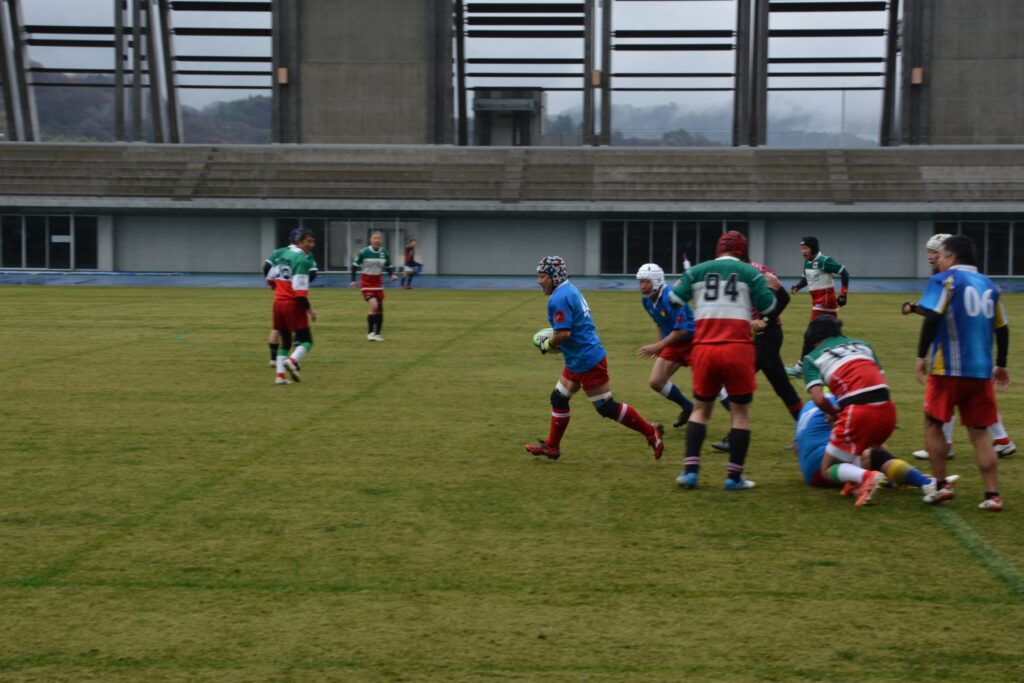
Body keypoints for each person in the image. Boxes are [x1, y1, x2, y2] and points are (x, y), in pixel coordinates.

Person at [668, 231, 780, 491]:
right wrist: (771, 288)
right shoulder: (750, 272)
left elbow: (674, 300)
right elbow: (768, 308)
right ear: (743, 252)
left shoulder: (697, 271)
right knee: (740, 414)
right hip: (737, 348)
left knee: (700, 410)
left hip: (704, 348)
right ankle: (734, 477)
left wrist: (683, 285)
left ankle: (690, 472)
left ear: (718, 249)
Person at [524, 256, 664, 461]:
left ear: (555, 276)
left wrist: (546, 345)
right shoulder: (568, 289)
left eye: (543, 276)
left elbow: (563, 334)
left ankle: (651, 431)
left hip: (586, 360)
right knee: (559, 398)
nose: (539, 281)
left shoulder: (559, 298)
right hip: (578, 357)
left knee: (606, 407)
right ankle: (552, 446)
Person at [915, 234, 1011, 511]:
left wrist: (921, 356)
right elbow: (1002, 328)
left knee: (933, 424)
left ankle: (941, 485)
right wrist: (1001, 364)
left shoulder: (944, 280)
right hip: (980, 372)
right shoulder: (990, 285)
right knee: (980, 433)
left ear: (951, 256)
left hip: (947, 370)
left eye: (942, 255)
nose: (938, 260)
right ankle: (992, 495)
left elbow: (932, 316)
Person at [798, 315, 898, 505]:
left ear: (813, 339)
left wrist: (836, 414)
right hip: (888, 410)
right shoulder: (864, 344)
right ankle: (923, 481)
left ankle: (867, 477)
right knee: (875, 447)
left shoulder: (812, 358)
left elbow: (819, 399)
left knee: (827, 468)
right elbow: (881, 382)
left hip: (858, 412)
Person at [709, 251, 803, 452]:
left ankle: (735, 437)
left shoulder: (759, 273)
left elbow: (783, 297)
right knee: (784, 389)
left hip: (766, 337)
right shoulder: (739, 271)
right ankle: (809, 432)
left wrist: (765, 320)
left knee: (735, 382)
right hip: (761, 337)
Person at [794, 396, 954, 507]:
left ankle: (880, 481)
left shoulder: (808, 407)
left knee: (858, 452)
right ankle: (924, 482)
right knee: (874, 456)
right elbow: (874, 445)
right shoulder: (837, 403)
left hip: (809, 474)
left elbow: (798, 446)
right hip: (825, 467)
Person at [635, 263, 695, 429]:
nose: (642, 286)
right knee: (656, 381)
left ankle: (738, 424)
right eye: (640, 282)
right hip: (673, 342)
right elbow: (661, 323)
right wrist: (661, 344)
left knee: (712, 385)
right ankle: (688, 407)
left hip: (693, 343)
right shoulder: (646, 300)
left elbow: (682, 331)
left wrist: (658, 346)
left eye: (646, 282)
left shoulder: (671, 296)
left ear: (656, 281)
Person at [787, 236, 850, 377]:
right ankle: (844, 361)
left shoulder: (825, 261)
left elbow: (844, 273)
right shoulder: (807, 263)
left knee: (810, 334)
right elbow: (806, 279)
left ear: (813, 248)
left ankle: (800, 368)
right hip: (820, 303)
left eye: (805, 248)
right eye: (801, 248)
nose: (803, 251)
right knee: (833, 335)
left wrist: (843, 294)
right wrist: (797, 286)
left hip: (824, 303)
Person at [264, 227, 318, 384]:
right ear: (299, 242)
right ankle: (293, 361)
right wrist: (310, 309)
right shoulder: (302, 260)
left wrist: (278, 288)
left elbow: (270, 278)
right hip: (292, 304)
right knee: (307, 340)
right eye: (308, 241)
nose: (311, 245)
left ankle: (280, 376)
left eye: (313, 242)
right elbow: (300, 292)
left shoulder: (282, 254)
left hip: (278, 303)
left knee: (286, 341)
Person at [350, 230, 398, 341]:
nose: (376, 240)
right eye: (374, 238)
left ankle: (378, 334)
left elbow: (389, 266)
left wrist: (392, 275)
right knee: (374, 306)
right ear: (370, 240)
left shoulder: (384, 253)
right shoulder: (364, 252)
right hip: (366, 284)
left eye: (378, 238)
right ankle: (370, 333)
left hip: (378, 285)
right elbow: (354, 266)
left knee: (380, 310)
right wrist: (353, 280)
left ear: (381, 240)